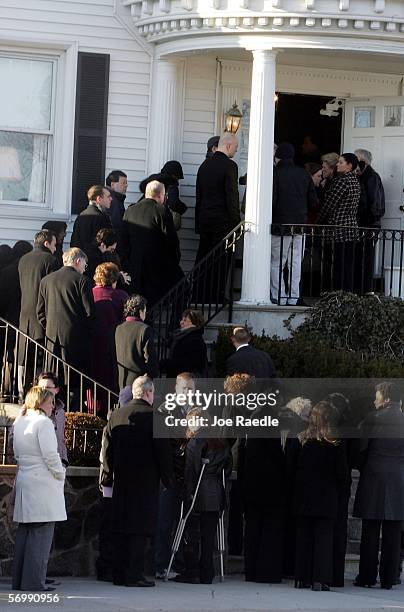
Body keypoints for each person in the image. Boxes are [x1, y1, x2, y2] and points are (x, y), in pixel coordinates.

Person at [100, 375, 173, 587]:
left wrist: (107, 476)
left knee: (122, 527)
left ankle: (119, 574)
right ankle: (134, 575)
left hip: (121, 480)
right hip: (145, 482)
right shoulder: (156, 417)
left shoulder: (116, 415)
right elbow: (163, 453)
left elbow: (107, 450)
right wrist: (168, 479)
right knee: (139, 530)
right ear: (149, 393)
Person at [12, 386, 66, 591]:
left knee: (25, 533)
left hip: (26, 479)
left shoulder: (20, 422)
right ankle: (34, 583)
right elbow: (51, 455)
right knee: (41, 536)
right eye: (50, 401)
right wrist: (60, 473)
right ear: (41, 402)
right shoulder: (43, 423)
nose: (53, 405)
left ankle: (20, 581)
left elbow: (16, 452)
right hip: (43, 482)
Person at [353, 382, 404, 590]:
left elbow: (360, 450)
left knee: (370, 531)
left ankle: (366, 576)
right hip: (398, 479)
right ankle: (389, 577)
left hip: (374, 476)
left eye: (377, 395)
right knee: (393, 532)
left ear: (385, 397)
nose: (375, 399)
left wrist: (363, 467)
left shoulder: (372, 418)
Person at [293, 401, 348, 591]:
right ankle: (320, 579)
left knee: (304, 538)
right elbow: (342, 474)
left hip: (305, 496)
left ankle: (301, 578)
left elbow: (294, 470)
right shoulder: (334, 445)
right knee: (324, 540)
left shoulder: (302, 441)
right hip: (327, 497)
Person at [173, 426, 232, 584]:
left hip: (199, 493)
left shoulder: (196, 441)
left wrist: (188, 493)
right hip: (216, 494)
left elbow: (191, 470)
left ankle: (192, 571)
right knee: (208, 535)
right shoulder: (221, 443)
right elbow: (227, 469)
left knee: (192, 534)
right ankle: (207, 572)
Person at [36, 248, 95, 407]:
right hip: (75, 340)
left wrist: (50, 328)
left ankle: (49, 408)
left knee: (52, 378)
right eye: (84, 264)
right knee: (74, 381)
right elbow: (90, 313)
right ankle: (70, 415)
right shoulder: (82, 280)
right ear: (77, 261)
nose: (84, 267)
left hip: (51, 339)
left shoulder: (46, 280)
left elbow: (40, 312)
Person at [121, 180, 183, 307]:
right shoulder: (161, 210)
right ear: (160, 195)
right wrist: (174, 261)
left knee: (138, 305)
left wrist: (126, 263)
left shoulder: (130, 211)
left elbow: (123, 241)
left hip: (135, 267)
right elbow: (171, 240)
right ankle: (173, 324)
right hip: (156, 269)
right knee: (181, 290)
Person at [270, 142, 318, 305]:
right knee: (295, 262)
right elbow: (313, 201)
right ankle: (293, 297)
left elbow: (273, 201)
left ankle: (279, 296)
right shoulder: (303, 174)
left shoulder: (275, 173)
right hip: (300, 225)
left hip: (280, 226)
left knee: (277, 262)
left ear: (278, 157)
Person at [18, 230, 59, 395]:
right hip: (42, 314)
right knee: (40, 359)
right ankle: (39, 392)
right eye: (55, 244)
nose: (56, 249)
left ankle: (24, 392)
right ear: (47, 243)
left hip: (24, 314)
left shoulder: (23, 259)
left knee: (26, 356)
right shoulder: (51, 260)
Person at [317, 153, 361, 292]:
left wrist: (317, 223)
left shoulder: (342, 181)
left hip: (339, 229)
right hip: (351, 229)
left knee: (338, 266)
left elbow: (329, 205)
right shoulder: (355, 180)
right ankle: (347, 296)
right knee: (347, 266)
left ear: (349, 166)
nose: (337, 164)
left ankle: (338, 297)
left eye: (341, 162)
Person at [89, 263, 129, 415]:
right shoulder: (121, 296)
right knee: (111, 381)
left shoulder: (90, 293)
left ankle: (93, 412)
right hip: (115, 345)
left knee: (93, 380)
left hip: (93, 344)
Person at [195, 132, 240, 263]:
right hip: (222, 224)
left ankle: (201, 284)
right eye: (235, 147)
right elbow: (232, 197)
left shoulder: (203, 166)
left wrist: (198, 224)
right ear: (228, 146)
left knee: (204, 261)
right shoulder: (230, 166)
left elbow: (199, 196)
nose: (236, 150)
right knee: (220, 265)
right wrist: (236, 225)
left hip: (205, 222)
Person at [354, 149, 385, 293]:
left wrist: (366, 223)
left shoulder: (371, 177)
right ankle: (359, 288)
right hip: (362, 225)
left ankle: (366, 290)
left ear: (363, 162)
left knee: (367, 258)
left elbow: (375, 204)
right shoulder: (361, 177)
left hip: (368, 226)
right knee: (359, 257)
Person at [115, 294, 159, 388]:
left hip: (121, 381)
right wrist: (153, 375)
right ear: (140, 311)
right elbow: (150, 358)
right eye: (145, 311)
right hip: (140, 383)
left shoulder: (119, 328)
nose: (145, 314)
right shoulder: (144, 329)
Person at [162, 309, 208, 379]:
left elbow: (189, 363)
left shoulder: (195, 340)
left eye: (185, 320)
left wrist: (166, 363)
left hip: (186, 382)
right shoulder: (181, 336)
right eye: (182, 320)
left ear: (195, 324)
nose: (181, 322)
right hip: (175, 378)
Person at [36, 372, 68, 467]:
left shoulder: (60, 412)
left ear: (56, 390)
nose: (43, 391)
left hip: (58, 466)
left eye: (47, 388)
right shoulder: (30, 411)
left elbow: (61, 440)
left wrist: (64, 461)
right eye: (40, 388)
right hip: (38, 467)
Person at [70, 185, 112, 251]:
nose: (111, 199)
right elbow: (104, 243)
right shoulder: (101, 218)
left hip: (79, 258)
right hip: (96, 259)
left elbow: (74, 242)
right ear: (99, 199)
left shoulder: (80, 216)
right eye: (108, 196)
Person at [161, 161, 187, 231]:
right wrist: (182, 208)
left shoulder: (155, 183)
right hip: (165, 224)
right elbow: (173, 203)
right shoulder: (172, 185)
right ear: (174, 175)